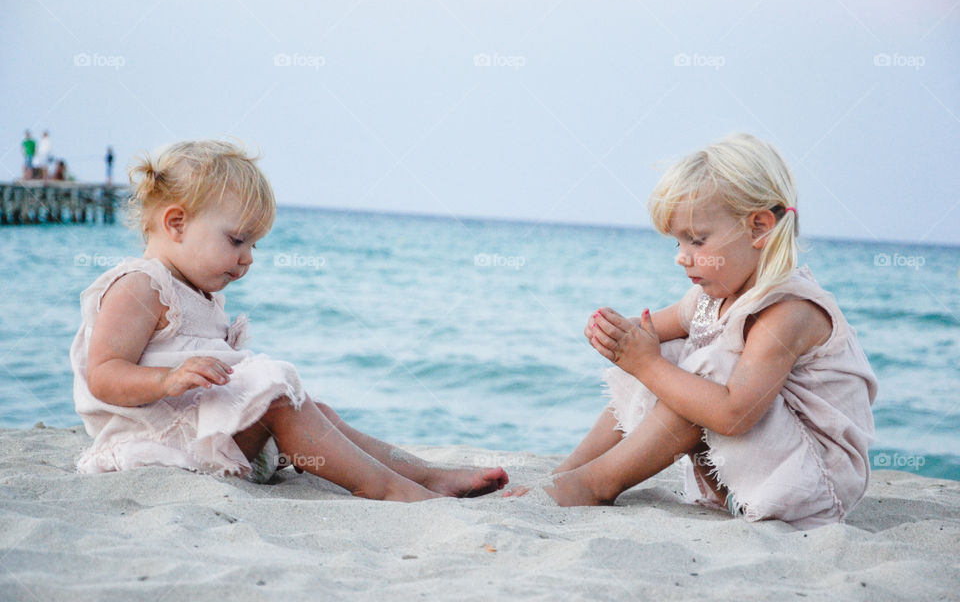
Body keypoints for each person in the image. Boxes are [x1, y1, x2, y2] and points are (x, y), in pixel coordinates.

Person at [70, 139, 508, 502]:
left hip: (208, 437)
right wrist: (168, 380)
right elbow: (103, 375)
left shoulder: (197, 292)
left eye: (255, 246)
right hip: (163, 444)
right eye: (237, 240)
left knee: (315, 410)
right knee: (280, 401)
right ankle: (395, 490)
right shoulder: (140, 286)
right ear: (177, 223)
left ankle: (424, 474)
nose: (246, 259)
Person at [505, 133, 877, 529]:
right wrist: (614, 333)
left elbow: (735, 415)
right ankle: (571, 472)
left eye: (697, 240)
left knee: (694, 368)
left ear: (759, 228)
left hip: (808, 485)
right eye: (679, 241)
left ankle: (596, 484)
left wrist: (645, 363)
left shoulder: (788, 311)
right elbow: (643, 333)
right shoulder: (710, 299)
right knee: (658, 351)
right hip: (740, 481)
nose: (682, 256)